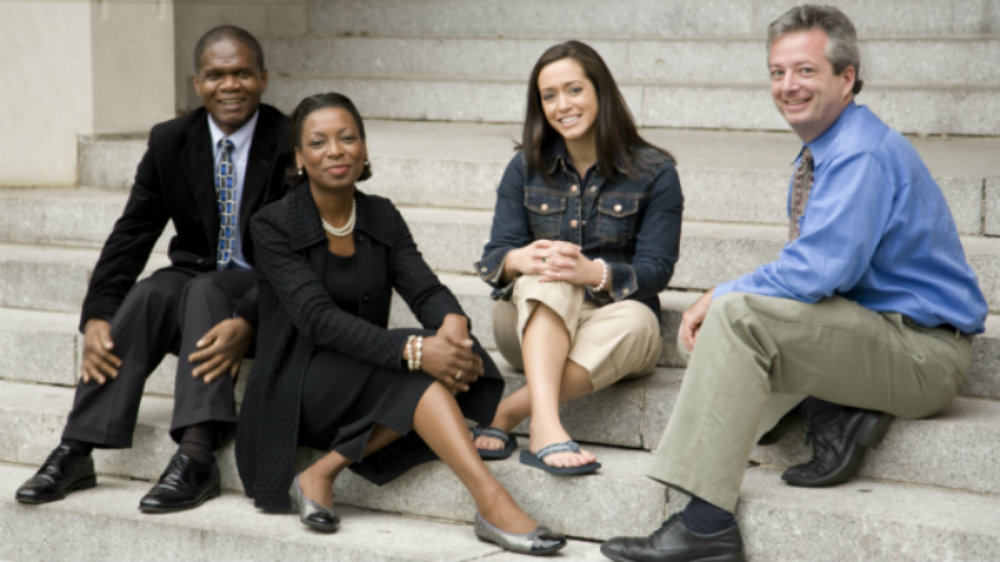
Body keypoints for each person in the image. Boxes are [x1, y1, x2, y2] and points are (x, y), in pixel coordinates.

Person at [600, 6, 987, 562]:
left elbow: (819, 271)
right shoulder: (828, 147)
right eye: (777, 72)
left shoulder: (860, 153)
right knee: (715, 338)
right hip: (876, 331)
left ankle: (707, 524)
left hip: (922, 352)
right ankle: (837, 410)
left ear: (846, 77)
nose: (788, 86)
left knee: (733, 318)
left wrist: (723, 292)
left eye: (805, 71)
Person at [234, 92, 565, 556]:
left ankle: (322, 471)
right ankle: (492, 501)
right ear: (299, 158)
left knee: (457, 357)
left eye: (348, 138)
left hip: (367, 373)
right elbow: (317, 320)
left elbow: (424, 288)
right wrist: (414, 351)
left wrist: (452, 323)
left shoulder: (380, 215)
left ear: (364, 148)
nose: (335, 150)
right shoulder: (273, 224)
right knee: (422, 372)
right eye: (319, 142)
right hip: (299, 381)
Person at [14, 25, 292, 513]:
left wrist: (248, 317)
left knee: (205, 289)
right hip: (198, 278)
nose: (230, 85)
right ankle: (77, 448)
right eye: (216, 75)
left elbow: (292, 254)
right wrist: (98, 314)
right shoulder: (171, 140)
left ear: (264, 78)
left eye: (243, 73)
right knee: (147, 295)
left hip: (267, 287)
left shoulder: (289, 139)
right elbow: (132, 233)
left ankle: (197, 454)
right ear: (197, 82)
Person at [474, 40, 682, 474]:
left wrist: (595, 273)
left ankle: (510, 412)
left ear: (600, 92)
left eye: (573, 90)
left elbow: (657, 270)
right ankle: (547, 426)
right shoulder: (524, 167)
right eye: (549, 96)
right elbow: (495, 256)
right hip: (530, 324)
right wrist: (519, 260)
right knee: (545, 276)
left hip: (611, 329)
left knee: (640, 321)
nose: (561, 105)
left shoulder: (655, 172)